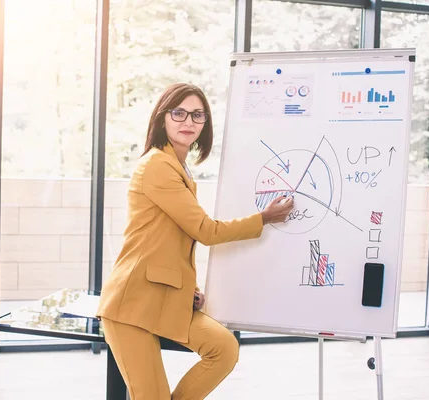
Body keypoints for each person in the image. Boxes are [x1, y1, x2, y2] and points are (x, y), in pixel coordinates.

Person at [96, 83, 294, 400]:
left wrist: (191, 290)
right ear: (163, 118)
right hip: (131, 304)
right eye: (179, 113)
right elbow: (205, 230)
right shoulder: (157, 165)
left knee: (224, 347)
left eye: (197, 115)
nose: (188, 122)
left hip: (164, 296)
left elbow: (171, 242)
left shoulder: (178, 166)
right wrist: (263, 218)